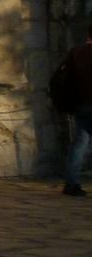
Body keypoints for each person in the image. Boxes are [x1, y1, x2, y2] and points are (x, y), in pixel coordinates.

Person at [54, 23, 92, 196]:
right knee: (80, 143)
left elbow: (60, 77)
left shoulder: (75, 53)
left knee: (79, 143)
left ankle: (71, 183)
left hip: (80, 105)